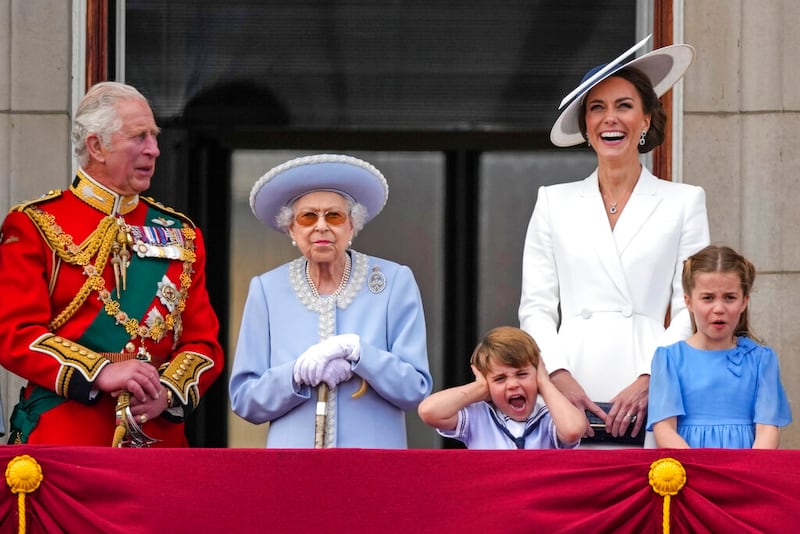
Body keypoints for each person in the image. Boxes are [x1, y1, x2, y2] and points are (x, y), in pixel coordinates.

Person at [0, 81, 224, 447]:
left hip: (158, 440)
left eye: (154, 136)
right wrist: (101, 371)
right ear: (96, 146)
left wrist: (166, 392)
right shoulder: (35, 224)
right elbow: (15, 334)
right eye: (139, 137)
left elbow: (203, 344)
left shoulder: (182, 233)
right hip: (66, 437)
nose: (153, 149)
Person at [518, 35, 710, 447]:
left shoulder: (684, 201)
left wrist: (650, 378)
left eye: (624, 106)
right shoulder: (553, 201)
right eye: (597, 108)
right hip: (568, 380)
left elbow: (691, 307)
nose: (610, 119)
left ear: (645, 120)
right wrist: (556, 376)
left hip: (650, 379)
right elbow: (535, 307)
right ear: (586, 126)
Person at [229, 153, 432, 448]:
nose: (321, 226)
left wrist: (360, 353)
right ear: (292, 229)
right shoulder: (267, 289)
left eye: (334, 216)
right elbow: (245, 400)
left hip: (373, 465)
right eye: (308, 217)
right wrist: (295, 374)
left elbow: (415, 388)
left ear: (352, 226)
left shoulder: (393, 282)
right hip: (293, 466)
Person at [648, 245, 792, 448]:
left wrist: (744, 473)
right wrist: (699, 474)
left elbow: (767, 430)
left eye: (729, 298)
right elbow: (664, 429)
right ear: (688, 302)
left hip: (743, 473)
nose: (719, 309)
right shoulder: (669, 359)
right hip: (688, 471)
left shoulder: (762, 359)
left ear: (744, 302)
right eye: (707, 298)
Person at [418, 326, 584, 449]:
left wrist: (545, 383)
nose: (512, 385)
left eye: (522, 374)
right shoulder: (479, 417)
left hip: (538, 495)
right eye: (500, 379)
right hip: (492, 495)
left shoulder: (550, 417)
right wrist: (480, 388)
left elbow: (573, 430)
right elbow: (429, 411)